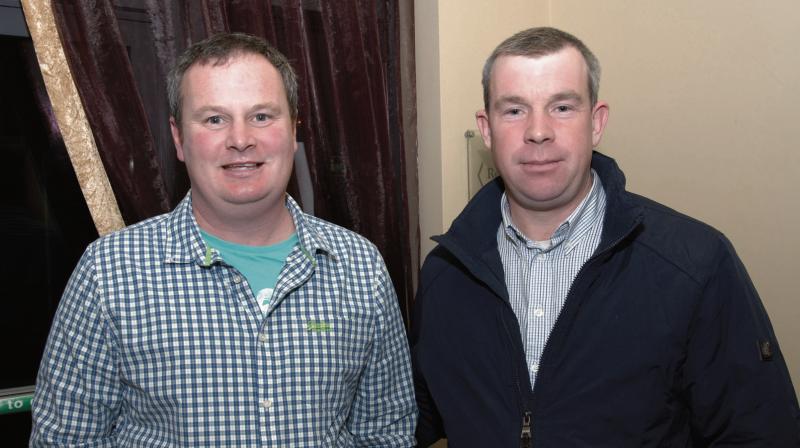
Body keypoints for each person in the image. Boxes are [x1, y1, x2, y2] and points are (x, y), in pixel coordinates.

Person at [411, 27, 800, 447]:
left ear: (596, 123)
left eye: (562, 107)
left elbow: (761, 434)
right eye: (514, 111)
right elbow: (414, 423)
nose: (538, 131)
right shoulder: (445, 277)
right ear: (487, 131)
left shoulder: (695, 266)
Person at [30, 32, 416, 447]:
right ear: (179, 139)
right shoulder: (109, 273)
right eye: (214, 119)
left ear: (293, 129)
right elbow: (63, 441)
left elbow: (387, 434)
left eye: (263, 116)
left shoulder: (361, 267)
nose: (240, 138)